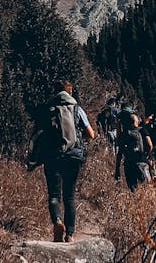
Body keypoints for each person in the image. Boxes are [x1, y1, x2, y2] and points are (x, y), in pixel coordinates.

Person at [41, 79, 94, 243]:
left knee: (54, 195)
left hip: (53, 155)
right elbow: (91, 134)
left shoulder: (48, 109)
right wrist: (77, 139)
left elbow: (40, 135)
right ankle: (70, 234)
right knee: (69, 196)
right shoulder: (78, 109)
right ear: (70, 92)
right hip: (74, 155)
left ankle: (57, 221)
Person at [114, 112, 152, 191]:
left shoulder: (123, 134)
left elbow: (119, 153)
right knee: (147, 188)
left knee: (133, 189)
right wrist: (147, 156)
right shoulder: (142, 130)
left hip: (128, 164)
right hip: (142, 162)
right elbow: (150, 145)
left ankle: (136, 202)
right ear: (135, 122)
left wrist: (117, 169)